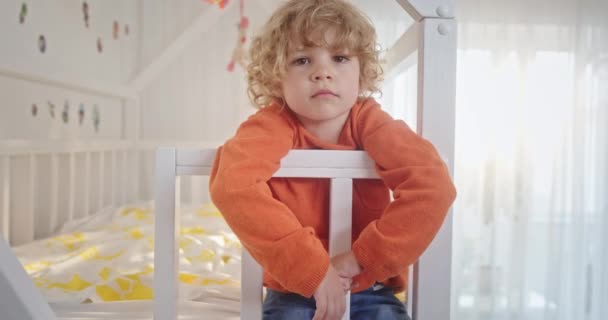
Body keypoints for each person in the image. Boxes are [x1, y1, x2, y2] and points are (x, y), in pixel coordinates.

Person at [209, 0, 457, 319]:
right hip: (293, 289)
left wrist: (361, 259)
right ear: (276, 78)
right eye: (302, 60)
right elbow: (232, 185)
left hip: (370, 286)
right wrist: (310, 268)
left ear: (361, 72)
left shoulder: (371, 122)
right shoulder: (271, 124)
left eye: (339, 58)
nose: (322, 72)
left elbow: (433, 187)